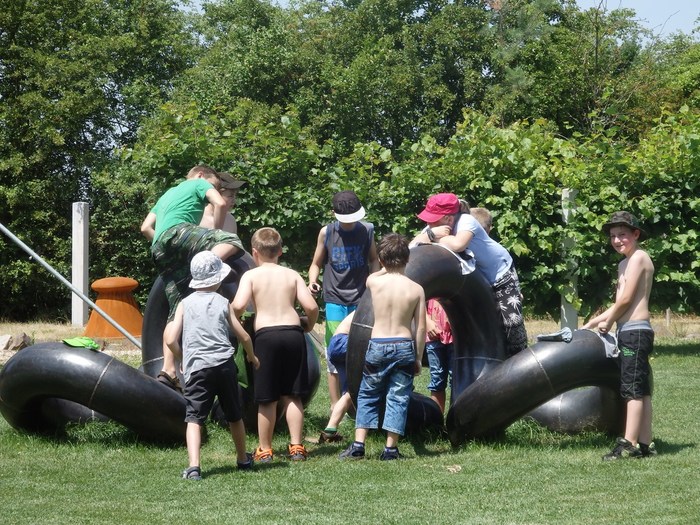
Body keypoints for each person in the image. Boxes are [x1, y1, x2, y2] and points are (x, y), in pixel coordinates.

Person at [140, 164, 244, 393]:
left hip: (159, 248)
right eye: (214, 185)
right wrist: (215, 234)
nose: (214, 190)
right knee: (231, 241)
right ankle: (207, 266)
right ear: (200, 175)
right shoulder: (198, 183)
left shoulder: (168, 194)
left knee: (176, 308)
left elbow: (145, 227)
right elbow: (219, 204)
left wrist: (166, 244)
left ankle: (168, 370)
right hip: (181, 235)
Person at [163, 251, 260, 480]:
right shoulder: (223, 303)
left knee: (194, 418)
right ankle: (243, 459)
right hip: (224, 366)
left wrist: (183, 358)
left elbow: (170, 339)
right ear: (217, 279)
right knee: (234, 415)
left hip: (197, 368)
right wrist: (252, 356)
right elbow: (244, 336)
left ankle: (194, 467)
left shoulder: (184, 304)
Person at [232, 227, 319, 463]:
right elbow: (311, 307)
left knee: (267, 397)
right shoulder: (292, 275)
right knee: (293, 395)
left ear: (254, 252)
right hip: (293, 334)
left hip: (266, 336)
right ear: (280, 251)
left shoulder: (251, 276)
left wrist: (235, 321)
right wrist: (308, 325)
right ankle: (297, 446)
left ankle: (265, 449)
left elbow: (238, 305)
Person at [339, 233, 426, 461]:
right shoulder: (416, 289)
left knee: (368, 393)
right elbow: (420, 328)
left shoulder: (374, 282)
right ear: (407, 259)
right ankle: (390, 449)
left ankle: (359, 444)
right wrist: (418, 357)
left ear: (381, 259)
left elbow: (376, 272)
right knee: (398, 396)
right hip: (404, 345)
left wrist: (383, 265)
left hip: (378, 344)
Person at [413, 193, 527, 357]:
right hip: (479, 278)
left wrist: (435, 239)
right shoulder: (435, 228)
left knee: (511, 323)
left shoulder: (467, 221)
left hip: (500, 273)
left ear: (448, 219)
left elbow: (458, 245)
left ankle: (520, 358)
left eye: (432, 219)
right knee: (485, 324)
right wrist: (431, 234)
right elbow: (412, 247)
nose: (428, 223)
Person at [581, 211, 656, 460]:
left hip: (635, 331)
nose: (616, 240)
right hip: (627, 331)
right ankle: (645, 443)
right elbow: (619, 303)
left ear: (636, 234)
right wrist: (595, 321)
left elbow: (626, 300)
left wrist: (610, 321)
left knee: (632, 388)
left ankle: (629, 443)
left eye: (622, 235)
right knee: (641, 388)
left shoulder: (639, 257)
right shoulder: (623, 264)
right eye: (613, 236)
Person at [307, 190, 379, 410]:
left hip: (361, 300)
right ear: (334, 214)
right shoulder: (327, 232)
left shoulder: (367, 230)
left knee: (364, 349)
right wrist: (312, 281)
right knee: (335, 351)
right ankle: (334, 404)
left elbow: (374, 260)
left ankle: (361, 400)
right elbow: (316, 263)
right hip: (335, 300)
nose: (350, 223)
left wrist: (374, 283)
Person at [318, 311, 355, 444]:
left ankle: (330, 429)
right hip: (346, 341)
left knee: (349, 391)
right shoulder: (375, 305)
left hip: (336, 344)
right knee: (357, 388)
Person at [425, 299, 453, 414]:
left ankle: (456, 421)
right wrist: (427, 321)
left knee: (456, 380)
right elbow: (420, 299)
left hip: (457, 333)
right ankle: (437, 420)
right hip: (433, 331)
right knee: (436, 380)